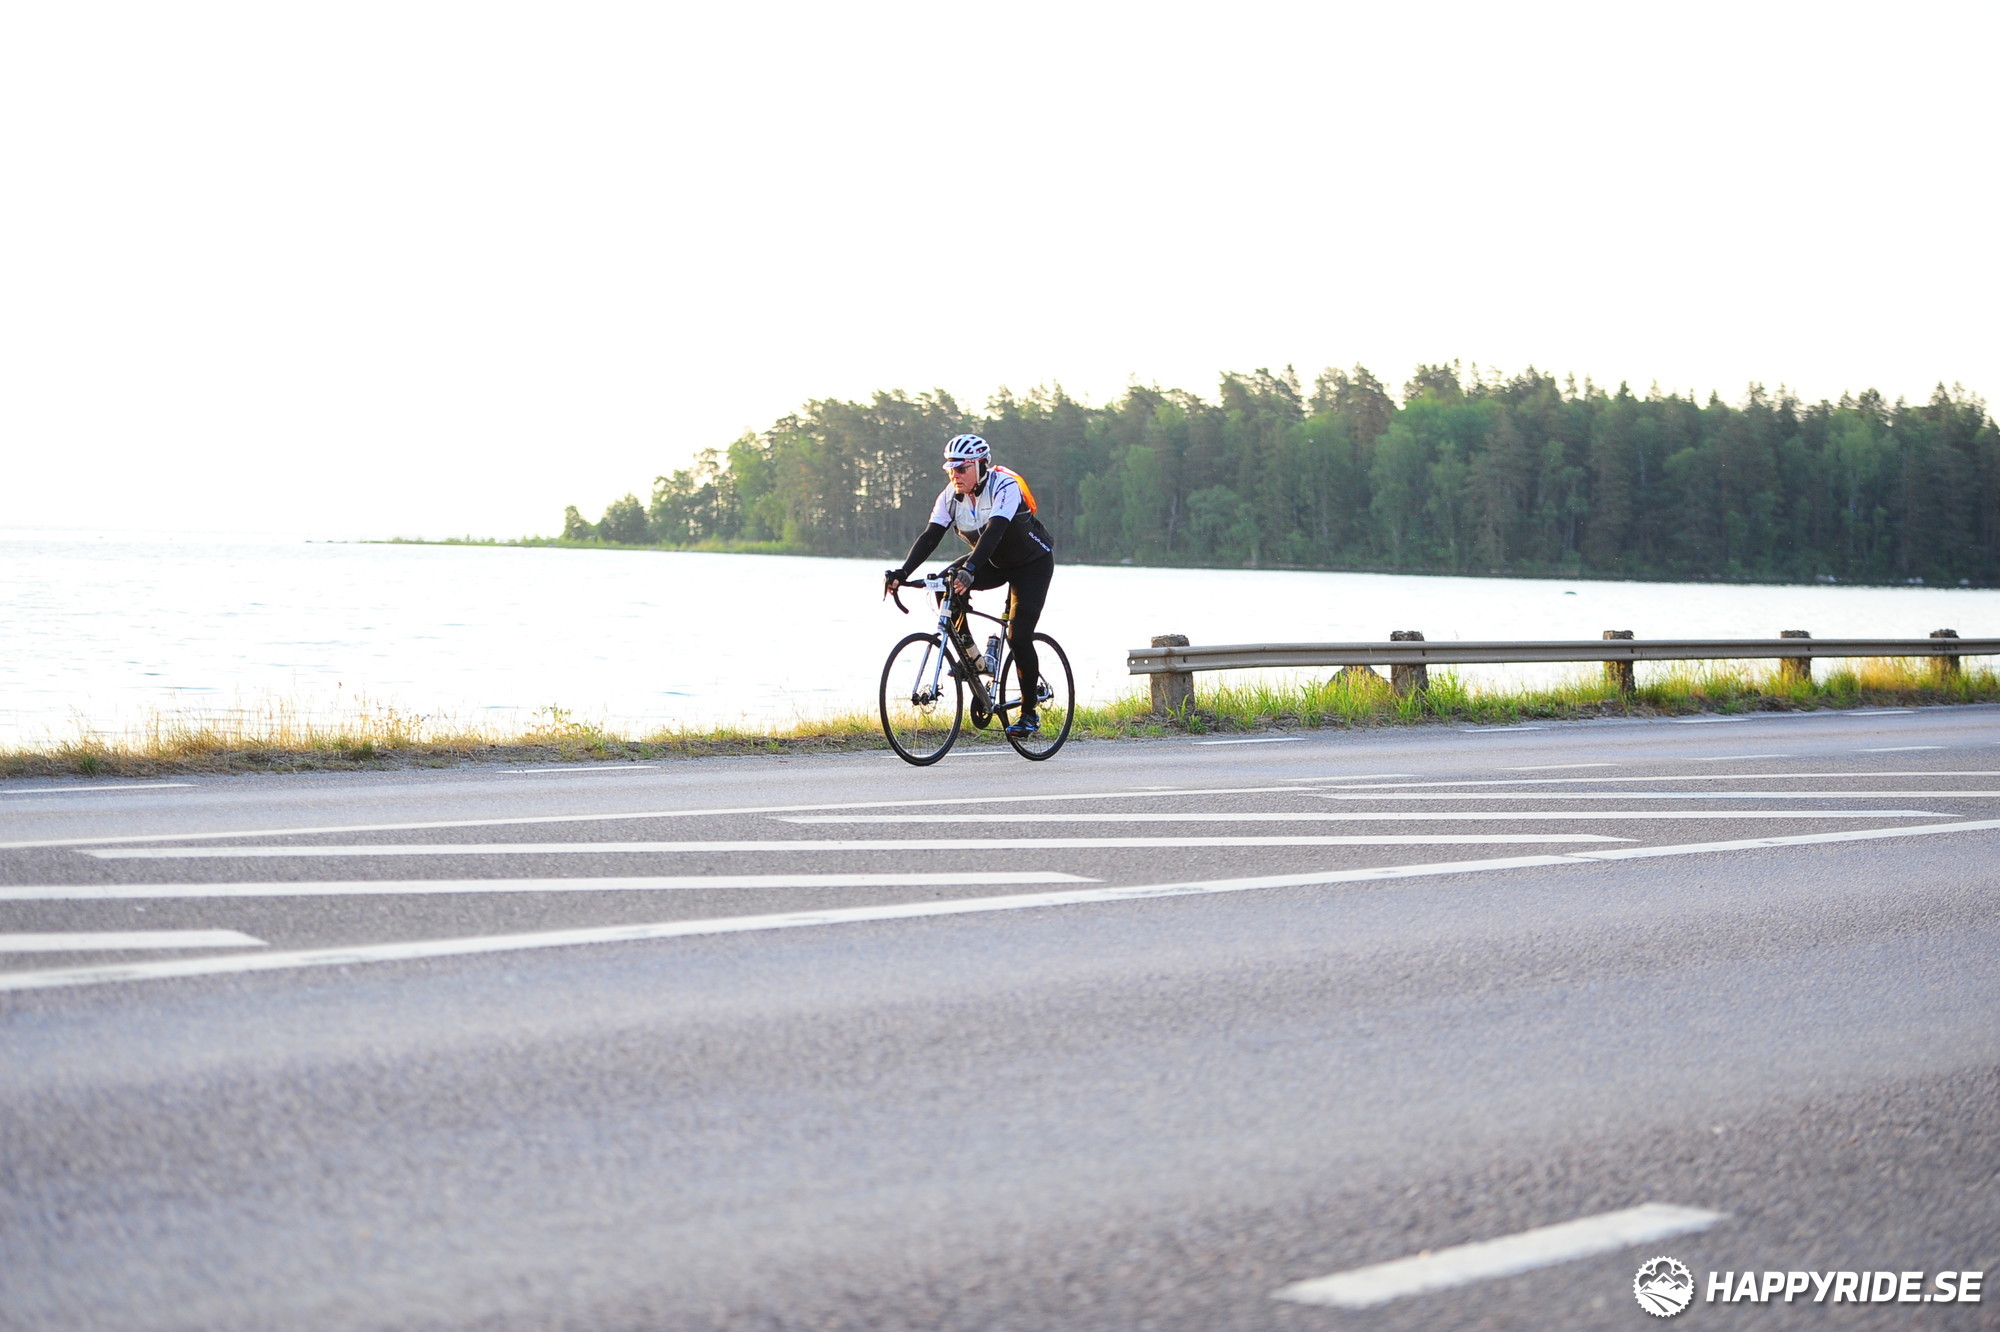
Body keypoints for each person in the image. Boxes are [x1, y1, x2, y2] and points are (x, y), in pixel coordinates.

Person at [883, 434, 1055, 735]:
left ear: (981, 465)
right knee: (945, 585)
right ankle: (973, 659)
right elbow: (930, 536)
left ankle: (1029, 713)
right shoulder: (950, 496)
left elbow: (994, 532)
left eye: (962, 468)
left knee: (1018, 636)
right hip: (993, 561)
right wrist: (903, 572)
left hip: (1031, 564)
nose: (955, 474)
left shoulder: (1004, 486)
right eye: (950, 468)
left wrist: (970, 569)